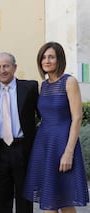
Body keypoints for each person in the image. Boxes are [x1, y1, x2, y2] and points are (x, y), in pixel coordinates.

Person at [24, 42, 89, 212]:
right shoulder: (42, 86)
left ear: (59, 59)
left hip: (63, 144)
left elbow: (77, 118)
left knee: (66, 201)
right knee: (49, 199)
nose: (47, 61)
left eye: (51, 57)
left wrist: (68, 152)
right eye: (44, 57)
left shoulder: (69, 82)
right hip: (44, 145)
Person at [0, 52, 38, 213]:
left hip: (23, 149)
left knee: (24, 199)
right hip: (0, 150)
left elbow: (45, 114)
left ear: (14, 67)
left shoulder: (30, 87)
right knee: (3, 198)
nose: (2, 70)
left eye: (6, 66)